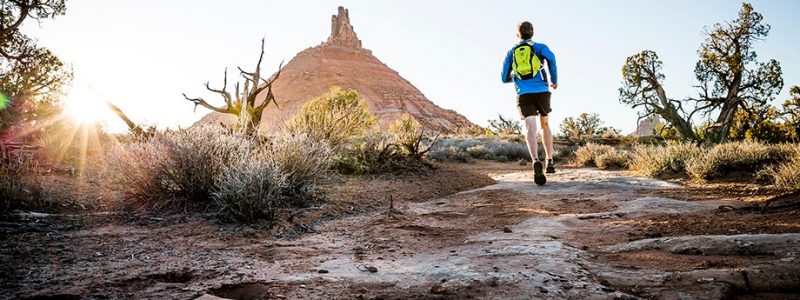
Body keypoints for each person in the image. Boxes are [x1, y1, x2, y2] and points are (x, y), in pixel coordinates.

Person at [501, 21, 558, 186]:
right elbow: (552, 60)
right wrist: (553, 81)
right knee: (545, 124)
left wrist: (518, 78)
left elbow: (504, 78)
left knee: (529, 127)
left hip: (524, 94)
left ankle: (535, 160)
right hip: (542, 91)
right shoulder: (540, 47)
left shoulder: (512, 52)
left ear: (518, 34)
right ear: (532, 33)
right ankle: (550, 160)